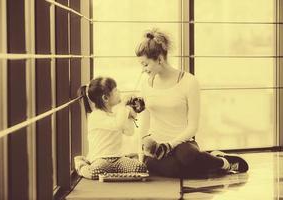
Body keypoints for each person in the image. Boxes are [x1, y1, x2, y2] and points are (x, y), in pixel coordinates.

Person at [135, 28, 249, 178]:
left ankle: (224, 163)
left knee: (187, 156)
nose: (143, 70)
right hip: (158, 149)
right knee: (173, 169)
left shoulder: (189, 82)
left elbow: (193, 127)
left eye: (145, 64)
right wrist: (140, 155)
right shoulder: (146, 85)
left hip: (183, 144)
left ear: (160, 60)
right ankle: (209, 159)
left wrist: (170, 145)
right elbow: (144, 125)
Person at [74, 77, 147, 180]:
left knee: (140, 168)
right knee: (95, 173)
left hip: (118, 158)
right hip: (100, 158)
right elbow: (118, 124)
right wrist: (123, 106)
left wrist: (131, 115)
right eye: (116, 90)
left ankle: (129, 158)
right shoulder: (96, 116)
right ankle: (81, 164)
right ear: (105, 98)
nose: (119, 92)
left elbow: (129, 132)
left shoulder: (117, 113)